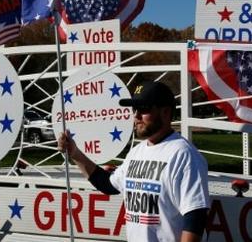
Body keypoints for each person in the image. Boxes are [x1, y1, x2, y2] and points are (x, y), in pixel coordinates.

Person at [58, 81, 210, 242]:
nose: (136, 116)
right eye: (134, 109)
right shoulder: (136, 152)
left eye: (143, 109)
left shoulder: (184, 154)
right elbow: (108, 185)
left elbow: (195, 217)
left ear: (165, 112)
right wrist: (74, 153)